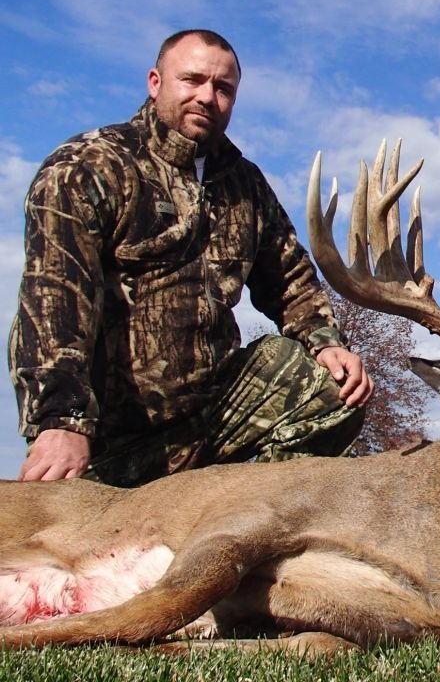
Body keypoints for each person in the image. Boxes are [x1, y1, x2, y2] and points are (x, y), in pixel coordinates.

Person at [10, 29, 373, 487]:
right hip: (110, 438)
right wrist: (61, 421)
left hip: (212, 416)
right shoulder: (87, 166)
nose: (207, 97)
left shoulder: (245, 183)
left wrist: (327, 342)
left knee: (333, 391)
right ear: (156, 81)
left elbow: (289, 278)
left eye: (223, 88)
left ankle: (257, 528)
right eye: (192, 80)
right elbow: (53, 299)